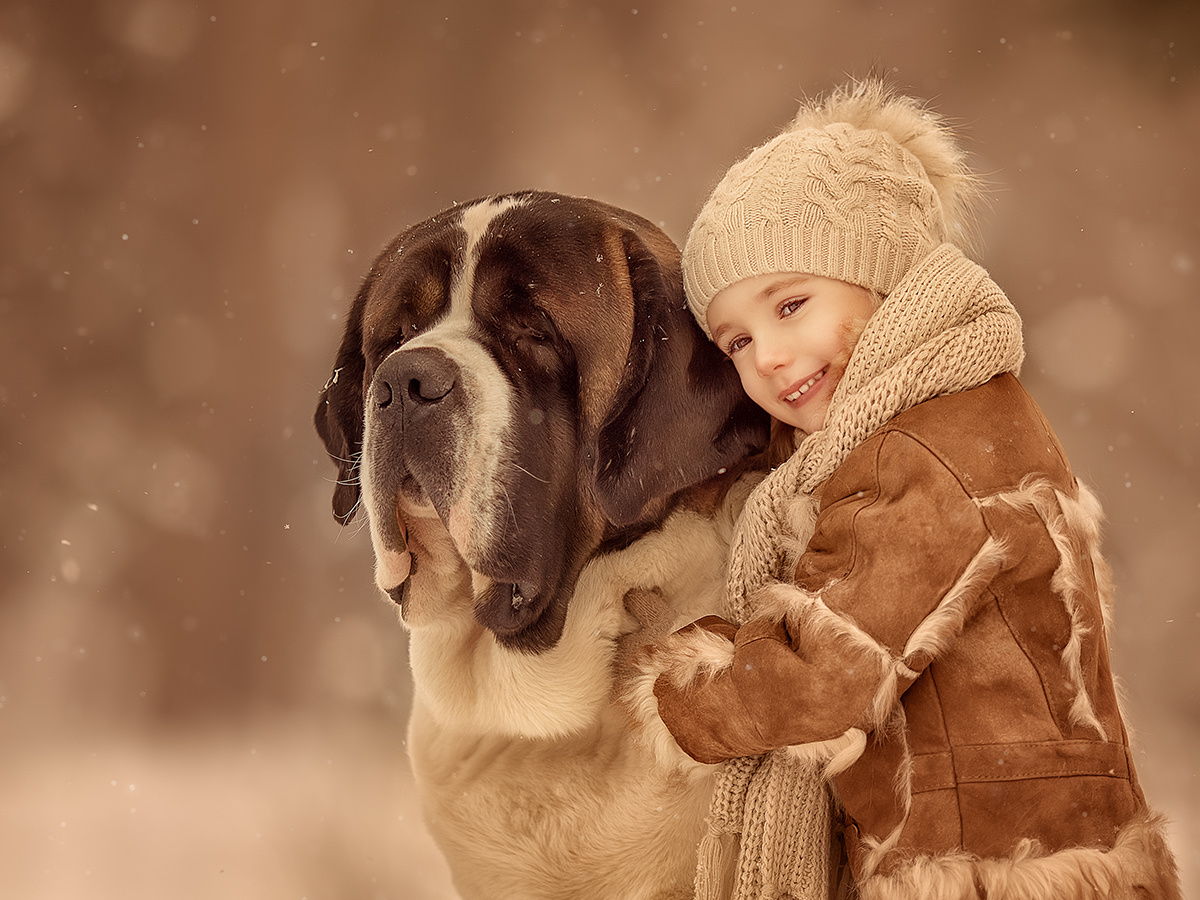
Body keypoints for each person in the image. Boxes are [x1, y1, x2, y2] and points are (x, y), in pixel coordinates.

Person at [638, 80, 1180, 899]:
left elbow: (829, 676)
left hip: (990, 869)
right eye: (738, 340)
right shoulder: (968, 415)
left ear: (886, 285)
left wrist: (671, 683)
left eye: (792, 305)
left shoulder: (922, 450)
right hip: (1042, 844)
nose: (770, 358)